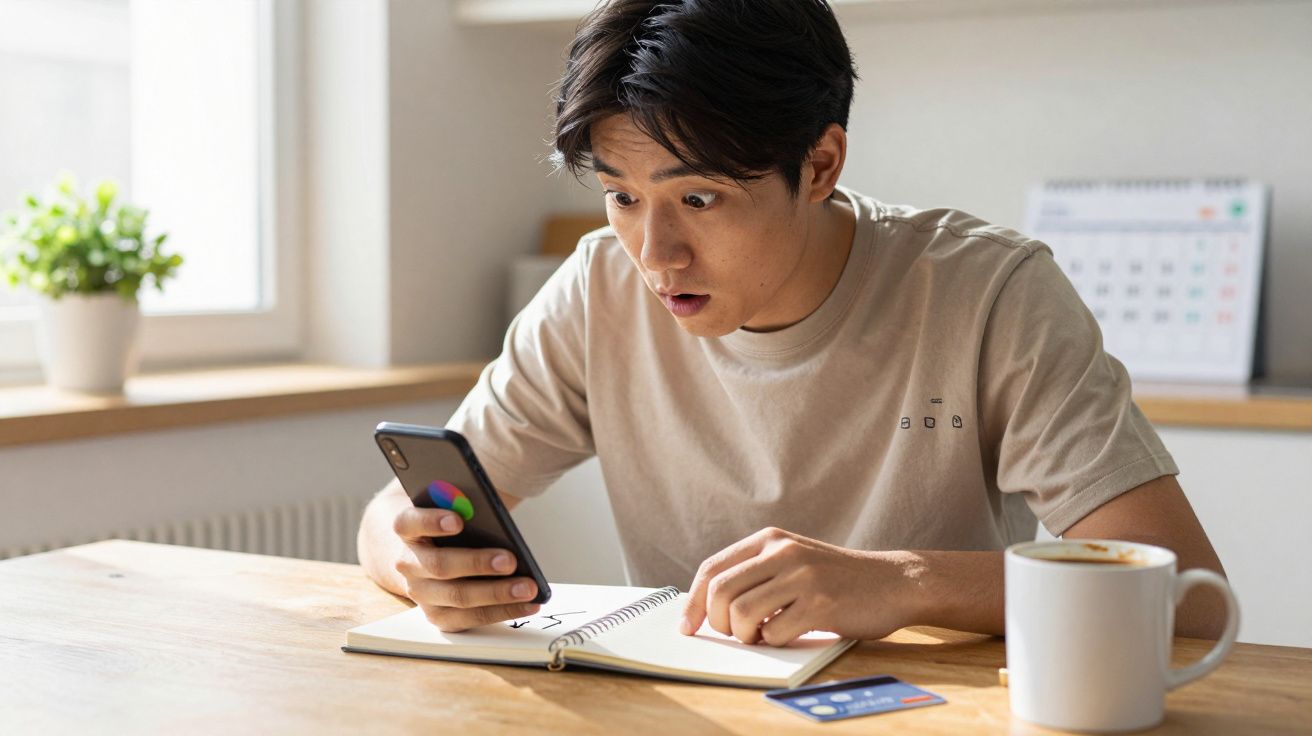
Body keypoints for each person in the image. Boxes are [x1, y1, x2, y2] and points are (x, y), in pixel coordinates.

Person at [357, 0, 1228, 644]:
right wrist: (423, 566)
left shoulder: (991, 293)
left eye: (699, 198)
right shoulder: (597, 290)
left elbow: (1185, 591)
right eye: (622, 197)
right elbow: (394, 515)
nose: (656, 253)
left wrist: (905, 583)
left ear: (819, 163)